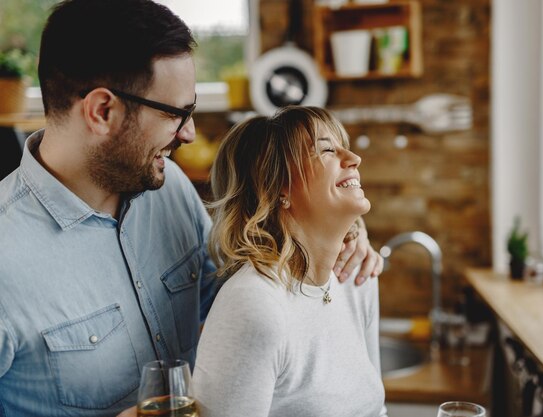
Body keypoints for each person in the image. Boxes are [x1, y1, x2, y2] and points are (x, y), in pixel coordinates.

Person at [0, 1, 382, 416]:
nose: (190, 133)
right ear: (102, 111)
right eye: (176, 114)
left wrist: (339, 239)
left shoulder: (169, 189)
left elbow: (243, 292)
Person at [192, 106, 388, 417]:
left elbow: (376, 411)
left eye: (342, 145)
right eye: (326, 150)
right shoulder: (253, 305)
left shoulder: (358, 278)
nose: (353, 159)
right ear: (278, 187)